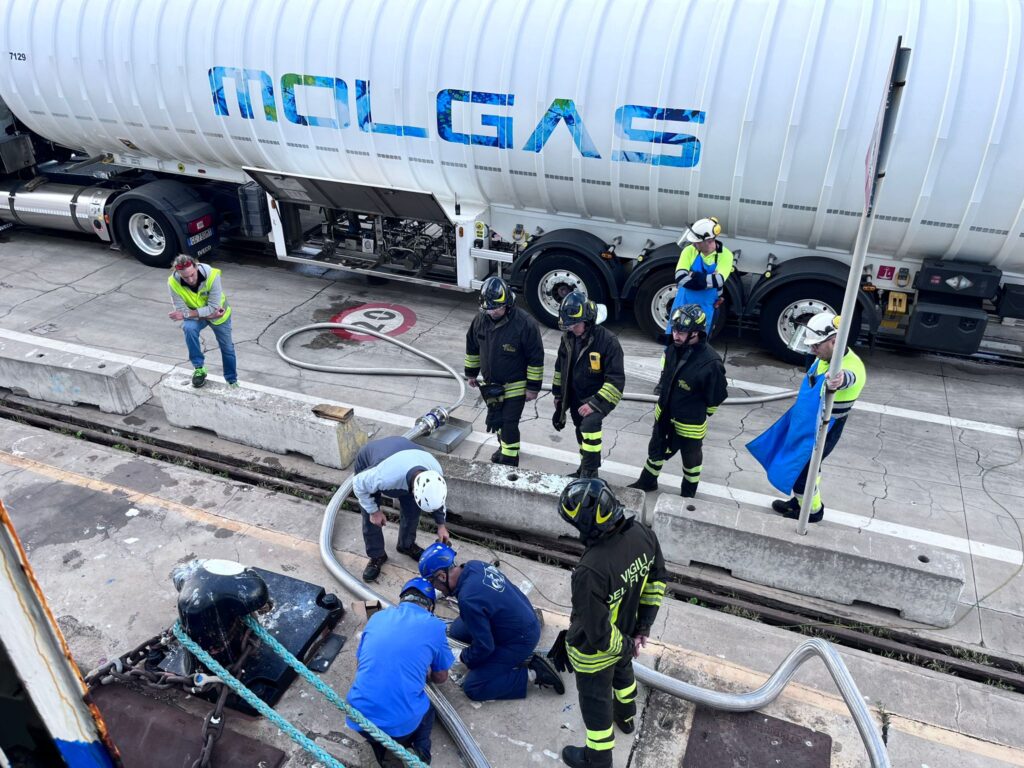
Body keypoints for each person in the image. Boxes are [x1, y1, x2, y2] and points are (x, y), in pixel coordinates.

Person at [551, 479, 668, 768]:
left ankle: (597, 759)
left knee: (596, 707)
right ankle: (626, 718)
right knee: (624, 679)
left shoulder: (590, 571)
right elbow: (656, 582)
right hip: (627, 633)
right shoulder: (642, 534)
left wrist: (626, 645)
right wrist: (642, 629)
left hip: (595, 655)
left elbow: (599, 633)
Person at [418, 542, 564, 701]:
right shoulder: (473, 566)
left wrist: (462, 658)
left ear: (441, 576)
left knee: (474, 687)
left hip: (520, 639)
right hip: (524, 615)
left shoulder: (468, 599)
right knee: (456, 631)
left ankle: (534, 674)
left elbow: (485, 647)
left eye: (433, 583)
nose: (436, 589)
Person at [768, 310, 867, 523]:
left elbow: (849, 378)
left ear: (834, 342)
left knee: (805, 471)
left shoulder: (851, 366)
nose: (811, 350)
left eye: (816, 345)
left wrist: (838, 380)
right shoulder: (823, 357)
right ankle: (800, 501)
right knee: (801, 465)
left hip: (825, 428)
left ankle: (812, 511)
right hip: (806, 423)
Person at [346, 577, 454, 766]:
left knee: (377, 731)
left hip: (357, 717)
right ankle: (419, 751)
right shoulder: (436, 626)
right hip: (400, 727)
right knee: (428, 710)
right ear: (430, 606)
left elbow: (360, 663)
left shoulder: (377, 616)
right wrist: (424, 670)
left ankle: (381, 750)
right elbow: (441, 678)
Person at [628, 304, 728, 498]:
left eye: (682, 332)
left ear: (697, 333)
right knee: (656, 449)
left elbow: (716, 397)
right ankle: (647, 481)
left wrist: (700, 412)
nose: (676, 335)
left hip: (690, 422)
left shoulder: (711, 363)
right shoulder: (673, 349)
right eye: (674, 330)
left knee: (691, 459)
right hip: (665, 413)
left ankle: (688, 493)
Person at [465, 276, 545, 467]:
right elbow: (472, 347)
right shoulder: (480, 320)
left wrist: (533, 388)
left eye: (496, 308)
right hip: (491, 386)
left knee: (509, 424)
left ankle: (509, 461)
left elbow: (536, 358)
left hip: (515, 386)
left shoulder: (525, 324)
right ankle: (504, 448)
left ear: (508, 304)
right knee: (497, 420)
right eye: (489, 308)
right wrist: (471, 373)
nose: (492, 312)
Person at [352, 436, 450, 582]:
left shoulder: (434, 472)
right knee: (371, 518)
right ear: (415, 490)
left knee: (412, 511)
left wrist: (441, 526)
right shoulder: (384, 477)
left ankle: (406, 545)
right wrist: (374, 511)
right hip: (374, 459)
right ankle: (377, 555)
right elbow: (358, 484)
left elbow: (436, 498)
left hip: (406, 455)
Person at [552, 292, 625, 479]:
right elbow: (560, 368)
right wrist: (558, 395)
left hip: (598, 397)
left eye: (575, 324)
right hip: (577, 394)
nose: (571, 328)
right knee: (579, 429)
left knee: (590, 427)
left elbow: (616, 381)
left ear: (588, 320)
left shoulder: (608, 342)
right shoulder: (568, 337)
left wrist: (594, 404)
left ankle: (590, 473)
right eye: (568, 324)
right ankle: (584, 466)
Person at [167, 255, 237, 388]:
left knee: (227, 348)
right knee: (189, 328)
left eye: (192, 274)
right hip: (201, 316)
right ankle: (199, 369)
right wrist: (208, 316)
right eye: (185, 277)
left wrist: (189, 314)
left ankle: (231, 380)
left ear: (196, 266)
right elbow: (181, 309)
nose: (190, 280)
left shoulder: (212, 275)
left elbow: (213, 307)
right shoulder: (173, 283)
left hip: (220, 316)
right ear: (178, 273)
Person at [667, 216, 734, 335]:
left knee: (699, 343)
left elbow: (718, 280)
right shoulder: (689, 250)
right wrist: (706, 280)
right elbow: (680, 277)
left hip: (706, 308)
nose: (692, 244)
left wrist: (692, 274)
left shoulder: (726, 255)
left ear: (708, 241)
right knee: (673, 341)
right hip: (682, 304)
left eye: (696, 242)